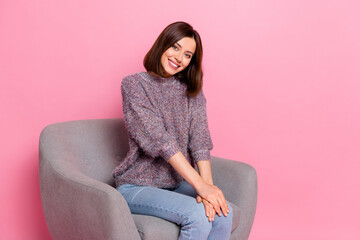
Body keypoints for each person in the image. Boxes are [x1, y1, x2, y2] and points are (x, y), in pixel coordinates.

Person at [112, 21, 233, 240]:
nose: (179, 58)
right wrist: (199, 186)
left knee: (223, 212)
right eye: (175, 47)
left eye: (187, 55)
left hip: (174, 185)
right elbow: (160, 141)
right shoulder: (134, 85)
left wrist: (208, 189)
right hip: (136, 186)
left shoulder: (191, 92)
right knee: (198, 214)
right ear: (163, 45)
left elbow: (200, 141)